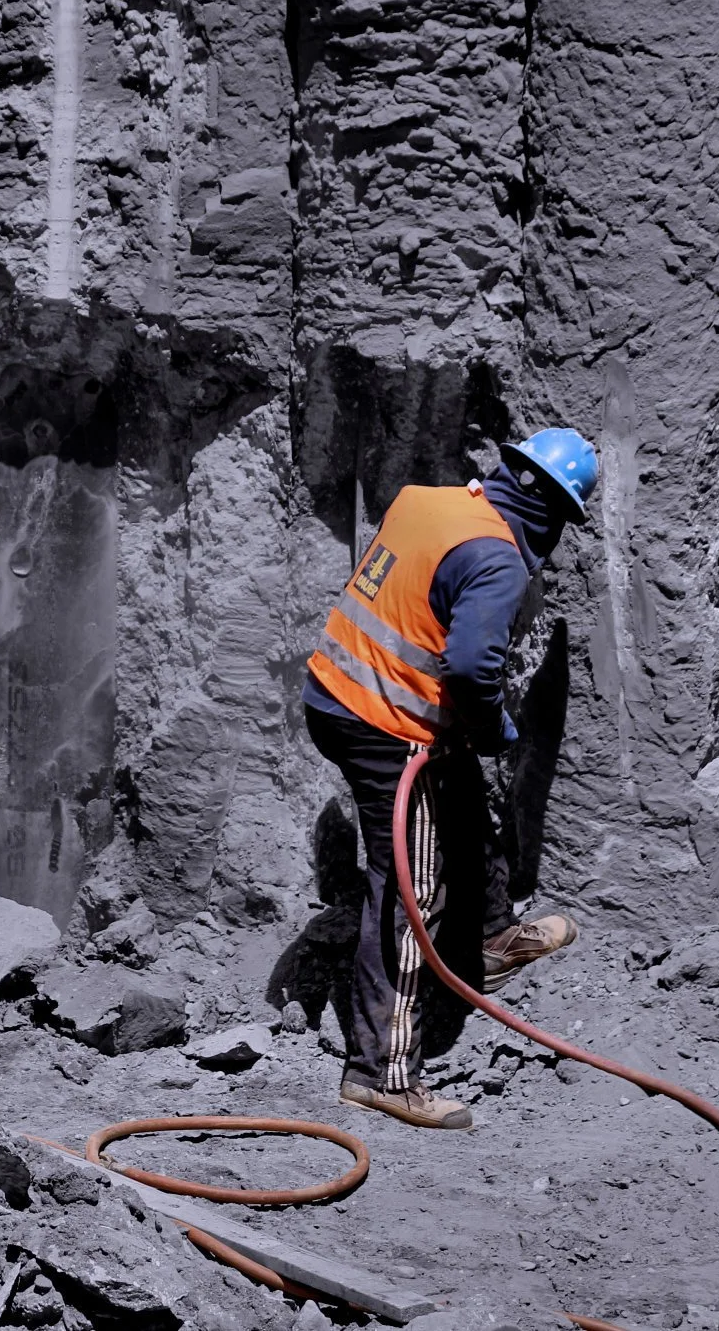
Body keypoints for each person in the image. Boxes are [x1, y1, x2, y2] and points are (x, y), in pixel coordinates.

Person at [302, 428, 599, 1129]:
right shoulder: (499, 560)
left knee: (459, 788)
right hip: (383, 722)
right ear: (552, 510)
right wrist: (494, 728)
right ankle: (382, 1071)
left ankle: (492, 941)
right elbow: (469, 669)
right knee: (410, 883)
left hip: (334, 692)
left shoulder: (431, 501)